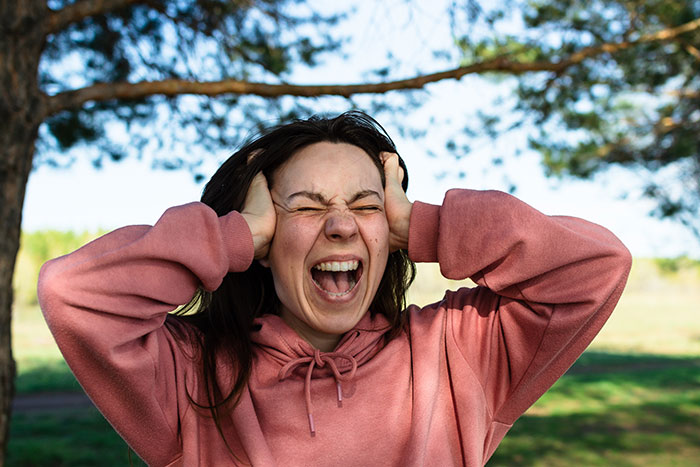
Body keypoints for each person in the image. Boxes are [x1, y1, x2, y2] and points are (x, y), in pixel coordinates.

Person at [38, 111, 632, 466]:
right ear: (265, 242)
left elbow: (597, 266)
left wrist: (423, 223)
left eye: (365, 205)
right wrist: (233, 236)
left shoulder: (457, 355)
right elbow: (74, 293)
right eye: (306, 207)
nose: (343, 224)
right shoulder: (190, 378)